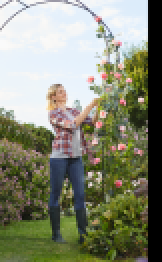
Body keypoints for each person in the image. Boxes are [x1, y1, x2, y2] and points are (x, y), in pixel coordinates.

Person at [46, 83, 99, 244]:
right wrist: (90, 105)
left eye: (64, 91)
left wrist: (99, 108)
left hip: (76, 158)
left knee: (80, 195)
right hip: (59, 158)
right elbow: (74, 124)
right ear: (53, 96)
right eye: (60, 92)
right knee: (56, 194)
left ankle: (83, 235)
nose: (64, 93)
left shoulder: (73, 111)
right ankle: (56, 234)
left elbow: (91, 122)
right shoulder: (53, 113)